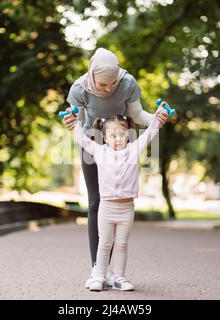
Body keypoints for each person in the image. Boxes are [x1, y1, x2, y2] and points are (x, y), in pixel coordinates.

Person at [63, 47, 169, 288]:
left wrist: (158, 119)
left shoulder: (128, 83)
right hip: (93, 143)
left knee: (118, 199)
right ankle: (98, 271)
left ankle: (115, 272)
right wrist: (71, 122)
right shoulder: (79, 89)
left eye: (112, 83)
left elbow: (139, 115)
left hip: (121, 140)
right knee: (95, 202)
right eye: (103, 85)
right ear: (91, 75)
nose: (108, 88)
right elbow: (77, 125)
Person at [72, 109, 164, 291]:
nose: (118, 138)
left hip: (127, 209)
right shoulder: (99, 151)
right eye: (112, 135)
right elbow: (81, 138)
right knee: (105, 243)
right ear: (104, 137)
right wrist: (74, 121)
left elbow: (149, 134)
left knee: (122, 244)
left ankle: (120, 278)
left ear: (128, 136)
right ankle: (99, 276)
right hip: (106, 209)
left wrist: (158, 117)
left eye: (121, 134)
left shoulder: (134, 149)